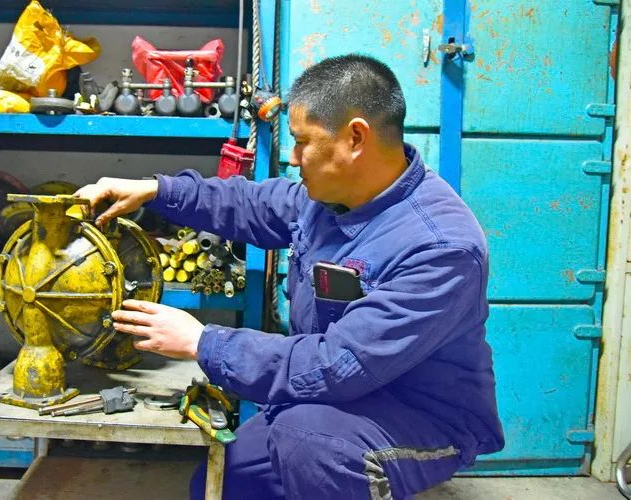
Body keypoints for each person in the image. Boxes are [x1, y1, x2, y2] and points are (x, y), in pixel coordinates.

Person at [75, 54, 504, 499]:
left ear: (356, 137)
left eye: (302, 142)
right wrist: (156, 190)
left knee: (309, 441)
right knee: (220, 485)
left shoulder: (441, 248)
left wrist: (203, 342)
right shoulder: (331, 198)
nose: (294, 158)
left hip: (422, 415)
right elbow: (249, 204)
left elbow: (337, 364)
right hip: (338, 397)